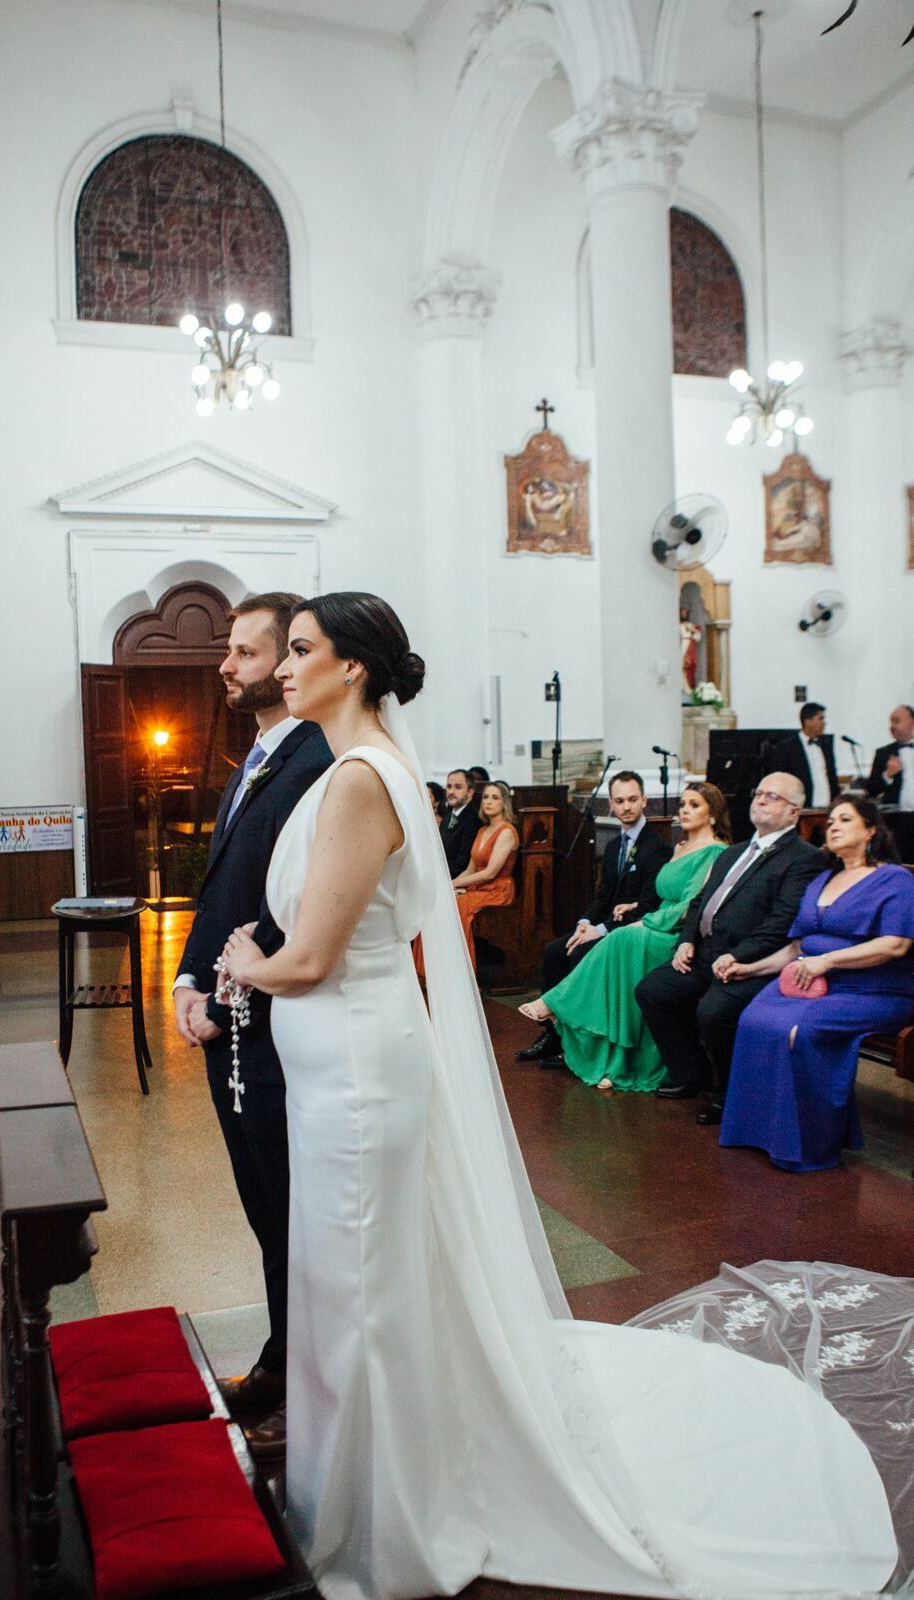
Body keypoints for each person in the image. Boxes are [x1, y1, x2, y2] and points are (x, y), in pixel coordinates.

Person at [219, 593, 897, 1600]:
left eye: (300, 649)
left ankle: (388, 1511)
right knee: (358, 1277)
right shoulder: (368, 769)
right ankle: (363, 1472)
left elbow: (313, 951)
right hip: (348, 1054)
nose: (281, 665)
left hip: (354, 1061)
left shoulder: (360, 779)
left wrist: (247, 961)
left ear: (352, 667)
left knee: (358, 1282)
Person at [171, 592, 331, 1460]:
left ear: (289, 660)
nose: (224, 666)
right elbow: (226, 882)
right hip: (232, 1010)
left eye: (243, 652)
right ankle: (282, 1350)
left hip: (275, 1017)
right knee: (265, 1204)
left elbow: (293, 906)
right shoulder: (265, 753)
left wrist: (234, 978)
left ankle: (308, 1377)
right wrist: (189, 976)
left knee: (295, 1207)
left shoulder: (317, 762)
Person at [720, 795, 914, 1171]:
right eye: (832, 820)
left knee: (798, 1030)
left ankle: (808, 1145)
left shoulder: (895, 880)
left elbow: (896, 944)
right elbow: (796, 946)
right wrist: (752, 967)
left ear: (871, 830)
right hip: (807, 981)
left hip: (874, 990)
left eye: (845, 819)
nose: (834, 826)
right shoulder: (823, 879)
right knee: (753, 1020)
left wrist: (828, 961)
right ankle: (760, 1133)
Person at [635, 772, 822, 1126]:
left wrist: (739, 956)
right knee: (653, 990)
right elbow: (700, 900)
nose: (762, 800)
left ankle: (728, 1093)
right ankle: (692, 1074)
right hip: (706, 953)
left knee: (713, 1012)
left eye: (773, 797)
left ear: (794, 813)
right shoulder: (734, 853)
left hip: (755, 961)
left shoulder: (802, 858)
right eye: (759, 793)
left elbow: (781, 923)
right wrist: (687, 939)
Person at [517, 784, 729, 1092]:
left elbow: (692, 906)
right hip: (655, 923)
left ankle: (556, 1003)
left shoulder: (716, 851)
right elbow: (663, 895)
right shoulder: (680, 846)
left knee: (620, 940)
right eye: (683, 803)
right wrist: (635, 909)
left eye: (694, 805)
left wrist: (647, 920)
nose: (684, 810)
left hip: (676, 934)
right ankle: (612, 1059)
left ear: (712, 813)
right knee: (614, 943)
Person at [518, 770, 670, 1068]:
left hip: (632, 930)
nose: (626, 806)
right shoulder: (614, 845)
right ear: (610, 805)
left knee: (581, 952)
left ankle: (579, 1045)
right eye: (620, 801)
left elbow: (649, 905)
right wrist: (585, 923)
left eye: (632, 799)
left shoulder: (657, 847)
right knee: (554, 951)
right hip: (604, 925)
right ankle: (553, 1035)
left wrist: (600, 931)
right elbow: (603, 896)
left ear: (644, 801)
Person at [452, 780, 518, 972]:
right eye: (486, 797)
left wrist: (453, 883)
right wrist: (452, 886)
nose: (488, 802)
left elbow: (490, 873)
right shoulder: (482, 830)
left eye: (495, 798)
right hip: (480, 887)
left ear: (504, 802)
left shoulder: (506, 831)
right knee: (444, 900)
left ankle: (462, 970)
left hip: (498, 890)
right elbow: (471, 870)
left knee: (457, 904)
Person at [770, 701, 839, 809]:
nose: (824, 723)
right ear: (808, 721)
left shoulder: (826, 746)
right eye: (820, 718)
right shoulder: (787, 747)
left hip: (827, 806)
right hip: (802, 808)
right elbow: (780, 779)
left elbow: (832, 776)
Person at [867, 703, 914, 861]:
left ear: (912, 722)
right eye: (891, 722)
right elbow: (872, 789)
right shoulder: (883, 753)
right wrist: (888, 774)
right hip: (897, 821)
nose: (892, 726)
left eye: (897, 721)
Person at [439, 767, 480, 878]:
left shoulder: (473, 820)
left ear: (470, 792)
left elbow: (462, 864)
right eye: (449, 786)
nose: (451, 791)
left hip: (457, 878)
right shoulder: (447, 817)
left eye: (458, 787)